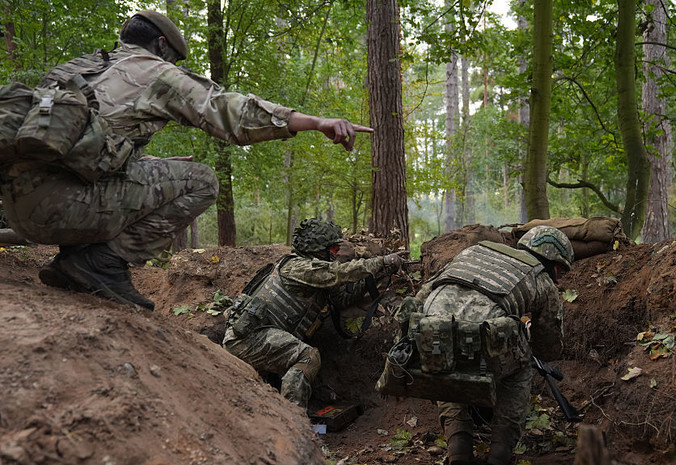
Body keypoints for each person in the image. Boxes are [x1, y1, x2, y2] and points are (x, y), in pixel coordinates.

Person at [0, 10, 372, 311]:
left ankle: (78, 260)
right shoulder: (154, 71)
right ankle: (100, 263)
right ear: (161, 45)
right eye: (175, 58)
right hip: (62, 210)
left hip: (19, 207)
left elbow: (84, 146)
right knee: (202, 181)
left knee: (168, 173)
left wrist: (143, 164)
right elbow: (229, 111)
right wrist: (314, 122)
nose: (174, 65)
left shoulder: (79, 71)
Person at [404, 226, 573, 465]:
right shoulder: (541, 278)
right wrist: (522, 333)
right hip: (483, 339)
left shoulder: (474, 252)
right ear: (554, 265)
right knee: (521, 369)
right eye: (561, 272)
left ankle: (458, 449)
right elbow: (548, 348)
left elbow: (426, 291)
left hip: (430, 330)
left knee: (446, 362)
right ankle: (499, 454)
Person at [223, 218, 403, 408]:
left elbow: (341, 299)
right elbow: (337, 272)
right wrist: (381, 261)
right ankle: (294, 419)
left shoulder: (314, 274)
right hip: (247, 340)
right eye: (333, 250)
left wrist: (378, 272)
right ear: (316, 250)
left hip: (261, 337)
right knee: (308, 357)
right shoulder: (297, 267)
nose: (336, 255)